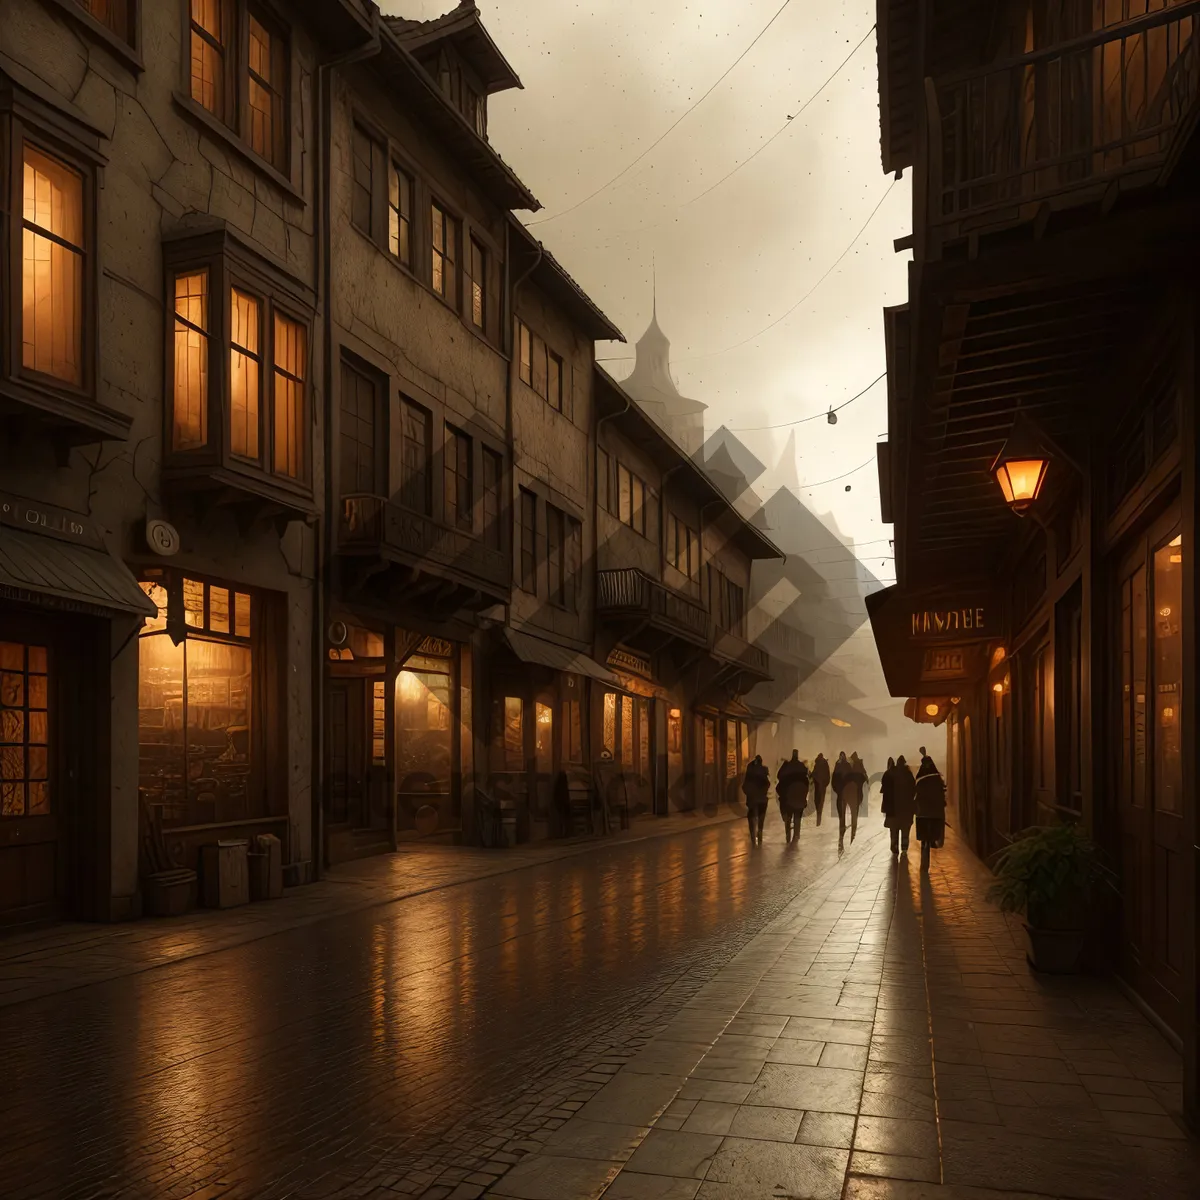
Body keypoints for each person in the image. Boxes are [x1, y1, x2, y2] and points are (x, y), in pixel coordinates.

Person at [914, 746, 947, 871]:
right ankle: (932, 841)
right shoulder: (938, 778)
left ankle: (925, 845)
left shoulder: (919, 778)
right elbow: (942, 793)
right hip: (934, 813)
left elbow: (915, 793)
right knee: (933, 832)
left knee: (923, 835)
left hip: (922, 812)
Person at [776, 751, 809, 844]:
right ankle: (796, 835)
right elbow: (806, 783)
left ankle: (788, 833)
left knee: (788, 815)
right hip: (799, 798)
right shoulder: (802, 768)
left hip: (788, 798)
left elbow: (779, 777)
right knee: (798, 816)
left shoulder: (787, 766)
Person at [886, 755, 917, 857]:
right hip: (906, 808)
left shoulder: (891, 773)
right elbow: (913, 789)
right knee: (905, 829)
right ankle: (904, 847)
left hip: (893, 808)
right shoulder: (908, 774)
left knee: (894, 829)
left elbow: (885, 787)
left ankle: (894, 847)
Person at [741, 754, 770, 846]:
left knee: (751, 817)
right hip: (762, 800)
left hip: (752, 800)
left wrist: (749, 794)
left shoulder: (750, 773)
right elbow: (767, 784)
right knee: (761, 816)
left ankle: (753, 837)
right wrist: (763, 793)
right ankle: (760, 831)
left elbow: (744, 786)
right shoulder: (764, 770)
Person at [811, 753, 830, 825]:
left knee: (817, 800)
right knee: (820, 801)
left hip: (819, 786)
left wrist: (812, 778)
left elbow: (814, 773)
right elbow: (828, 775)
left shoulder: (820, 764)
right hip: (821, 786)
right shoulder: (823, 764)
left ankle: (818, 818)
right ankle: (819, 815)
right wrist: (825, 784)